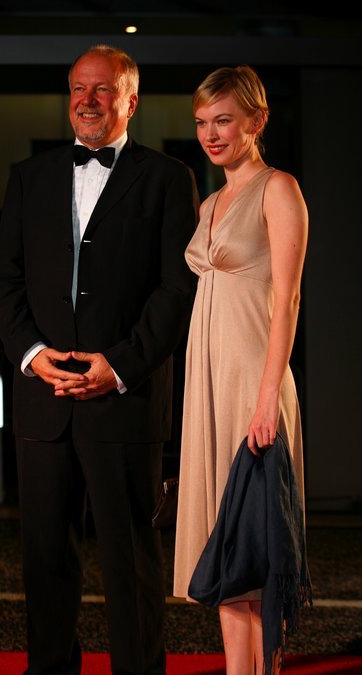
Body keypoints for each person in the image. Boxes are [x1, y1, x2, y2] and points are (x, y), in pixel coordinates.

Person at [0, 44, 199, 675]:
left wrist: (123, 363)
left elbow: (178, 288)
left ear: (130, 100)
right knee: (45, 557)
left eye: (102, 89)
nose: (87, 100)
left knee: (131, 561)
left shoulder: (167, 179)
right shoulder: (30, 176)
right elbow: (5, 278)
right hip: (43, 397)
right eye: (78, 88)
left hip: (125, 398)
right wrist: (31, 354)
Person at [173, 65, 309, 675]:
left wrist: (265, 399)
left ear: (256, 121)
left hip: (254, 380)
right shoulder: (209, 202)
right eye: (202, 123)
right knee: (223, 549)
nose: (211, 133)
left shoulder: (278, 188)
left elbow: (287, 299)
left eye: (223, 120)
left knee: (257, 544)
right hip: (209, 382)